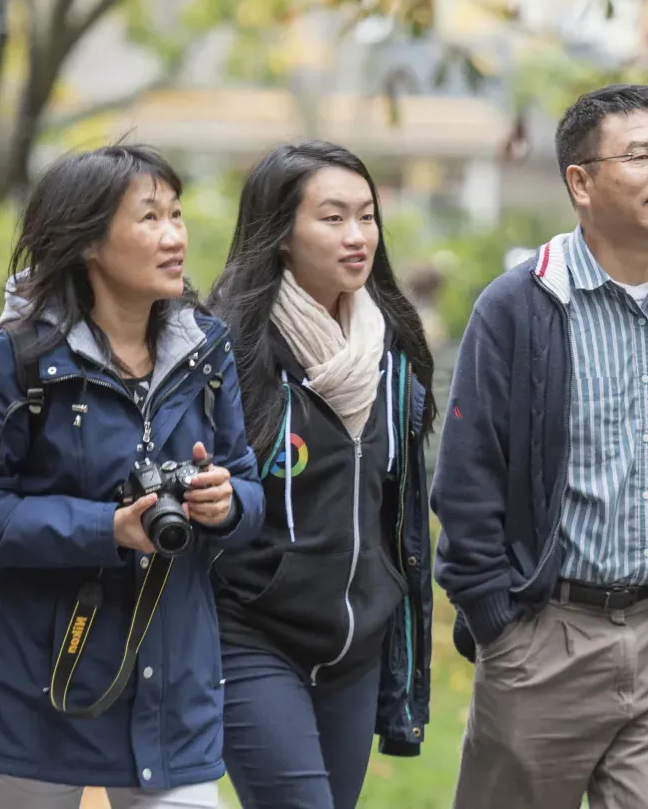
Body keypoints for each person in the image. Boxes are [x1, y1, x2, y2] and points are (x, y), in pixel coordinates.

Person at [432, 84, 648, 809]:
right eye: (640, 156)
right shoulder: (520, 307)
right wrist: (498, 626)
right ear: (579, 182)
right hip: (546, 640)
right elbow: (467, 476)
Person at [0, 144, 267, 809]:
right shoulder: (19, 358)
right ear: (88, 240)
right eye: (149, 219)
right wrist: (107, 529)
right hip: (39, 686)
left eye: (176, 214)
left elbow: (249, 489)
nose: (175, 235)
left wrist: (224, 505)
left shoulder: (205, 351)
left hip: (172, 688)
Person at [205, 141, 438, 809]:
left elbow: (397, 501)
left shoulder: (393, 348)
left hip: (356, 646)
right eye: (333, 219)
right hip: (252, 636)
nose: (358, 236)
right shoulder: (228, 348)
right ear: (280, 234)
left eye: (367, 217)